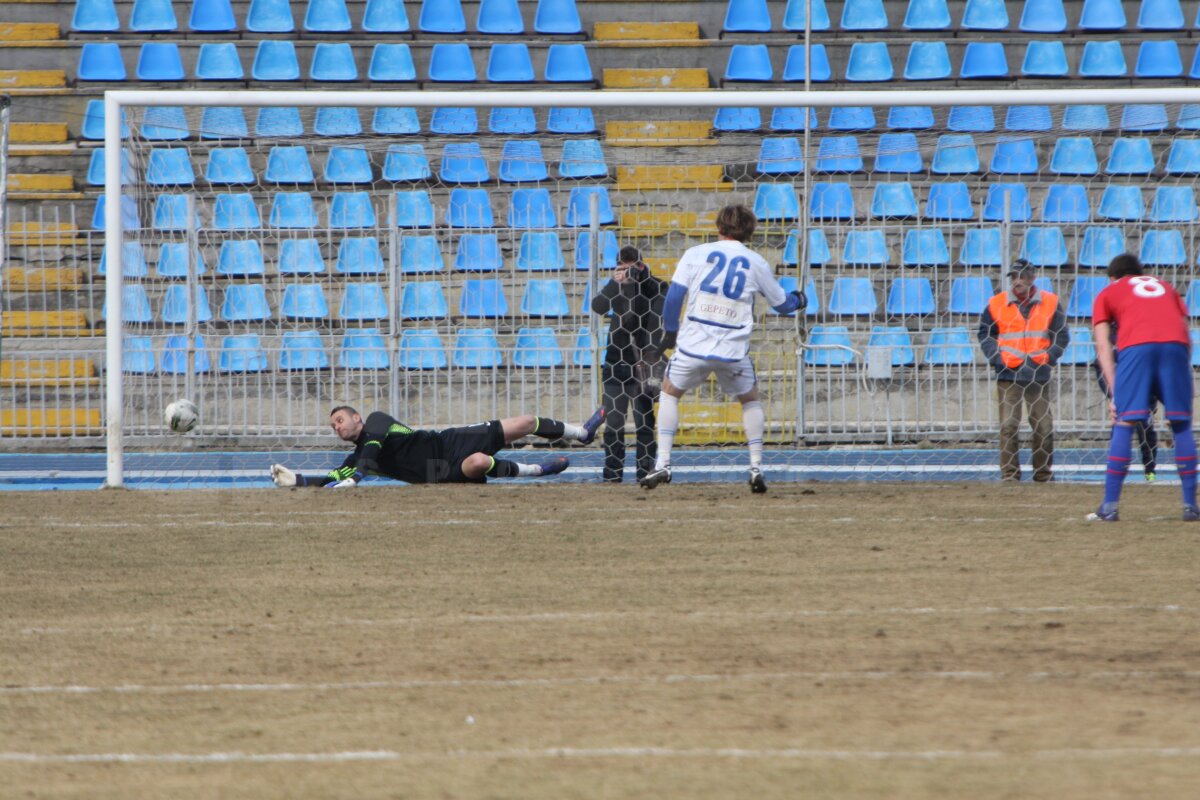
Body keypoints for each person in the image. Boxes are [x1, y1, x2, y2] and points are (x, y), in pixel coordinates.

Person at [639, 204, 806, 493]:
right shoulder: (756, 262)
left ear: (719, 227)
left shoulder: (694, 254)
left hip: (693, 347)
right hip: (733, 350)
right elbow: (782, 305)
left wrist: (669, 334)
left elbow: (674, 297)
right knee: (750, 400)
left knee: (669, 393)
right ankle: (755, 467)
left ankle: (663, 463)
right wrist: (799, 299)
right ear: (750, 232)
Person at [1087, 253, 1198, 522]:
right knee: (1181, 425)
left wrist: (1117, 394)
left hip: (1137, 347)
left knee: (1125, 422)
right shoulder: (1166, 287)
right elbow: (1186, 330)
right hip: (1177, 346)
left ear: (1113, 278)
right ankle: (1190, 506)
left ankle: (1110, 506)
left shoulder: (1109, 292)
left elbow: (1103, 346)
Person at [270, 405, 605, 488]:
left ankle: (582, 432)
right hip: (438, 472)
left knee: (524, 422)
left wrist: (355, 478)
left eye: (340, 420)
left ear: (356, 417)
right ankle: (537, 470)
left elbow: (370, 454)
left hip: (448, 440)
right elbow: (332, 477)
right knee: (476, 463)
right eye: (333, 427)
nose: (337, 428)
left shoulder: (377, 422)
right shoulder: (358, 458)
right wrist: (297, 480)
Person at [976, 259, 1070, 482]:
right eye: (1014, 277)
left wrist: (1049, 357)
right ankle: (1010, 475)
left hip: (1038, 373)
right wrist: (997, 358)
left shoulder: (1050, 302)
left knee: (1043, 426)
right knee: (1008, 426)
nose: (1017, 281)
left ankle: (1043, 474)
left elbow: (1061, 336)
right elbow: (985, 334)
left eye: (1022, 276)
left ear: (1032, 278)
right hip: (1008, 373)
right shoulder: (996, 303)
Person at [590, 245, 667, 483]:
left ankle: (646, 473)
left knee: (644, 422)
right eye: (622, 266)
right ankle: (612, 475)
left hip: (644, 363)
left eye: (632, 266)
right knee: (613, 423)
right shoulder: (617, 286)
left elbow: (658, 310)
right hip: (616, 361)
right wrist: (618, 283)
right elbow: (598, 307)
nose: (628, 271)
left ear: (641, 264)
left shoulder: (657, 286)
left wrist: (640, 280)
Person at [1093, 323, 1159, 482]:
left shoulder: (1142, 337)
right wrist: (1112, 395)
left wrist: (1152, 395)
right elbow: (1100, 366)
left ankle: (1149, 470)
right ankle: (1116, 469)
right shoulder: (1111, 336)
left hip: (1144, 394)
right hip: (1121, 395)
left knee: (1146, 431)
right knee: (1119, 432)